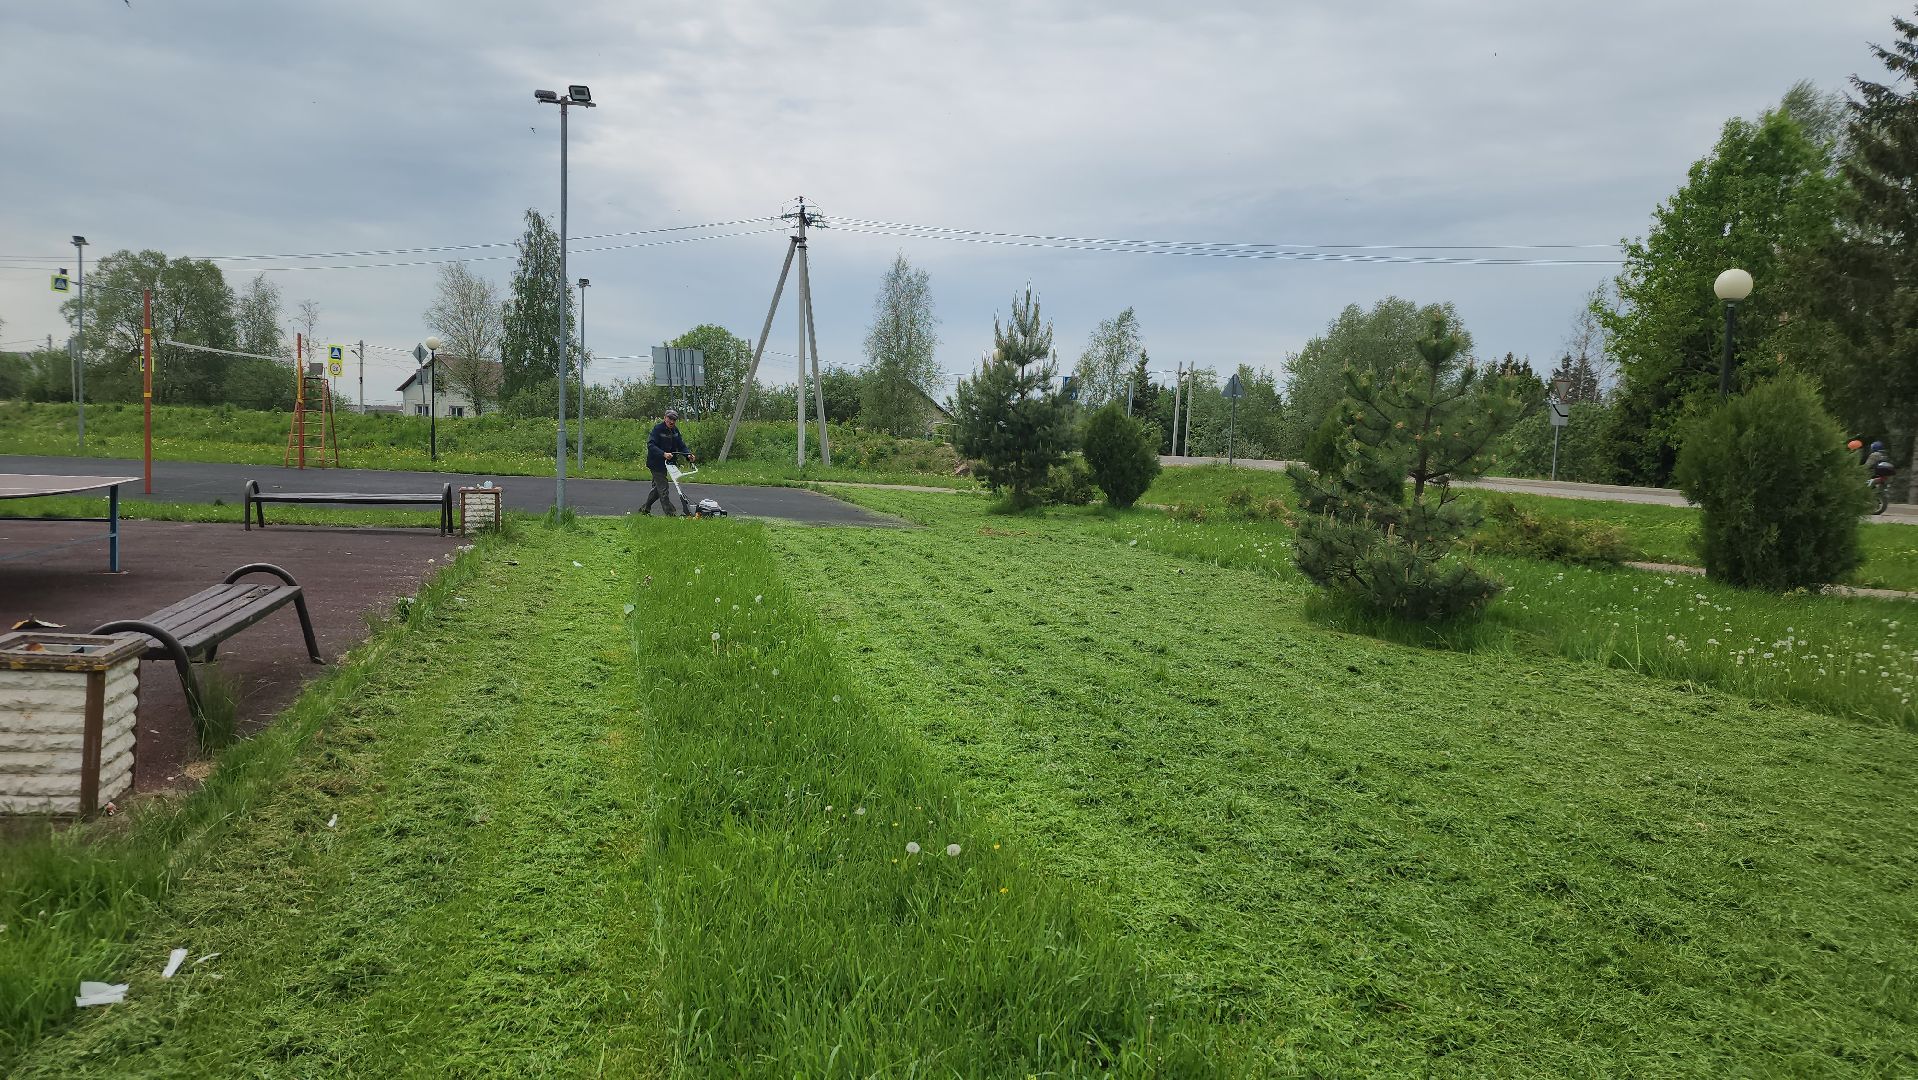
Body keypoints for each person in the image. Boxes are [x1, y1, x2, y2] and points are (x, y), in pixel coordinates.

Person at [641, 409, 694, 516]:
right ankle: (671, 514)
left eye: (674, 419)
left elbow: (681, 445)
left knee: (658, 490)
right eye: (670, 418)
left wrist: (688, 455)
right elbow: (651, 445)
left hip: (668, 464)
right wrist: (663, 454)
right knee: (663, 489)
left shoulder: (675, 431)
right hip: (656, 463)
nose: (672, 421)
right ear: (665, 417)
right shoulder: (657, 429)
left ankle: (644, 510)